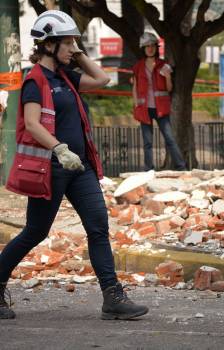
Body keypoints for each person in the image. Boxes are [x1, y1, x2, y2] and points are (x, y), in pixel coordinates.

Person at [0, 10, 148, 321]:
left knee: (98, 228)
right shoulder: (35, 80)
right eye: (67, 43)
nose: (72, 49)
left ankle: (113, 297)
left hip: (80, 169)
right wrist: (59, 148)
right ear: (49, 45)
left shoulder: (67, 76)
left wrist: (78, 55)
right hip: (51, 169)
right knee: (35, 232)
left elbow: (102, 78)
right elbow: (31, 122)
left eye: (73, 44)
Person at [132, 31, 186, 171]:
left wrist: (168, 77)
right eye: (147, 46)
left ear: (156, 47)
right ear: (143, 49)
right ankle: (149, 169)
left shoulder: (163, 65)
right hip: (145, 109)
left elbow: (169, 89)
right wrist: (136, 104)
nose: (150, 48)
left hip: (161, 108)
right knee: (147, 142)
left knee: (169, 138)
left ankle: (181, 167)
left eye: (152, 46)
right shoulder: (138, 66)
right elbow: (135, 86)